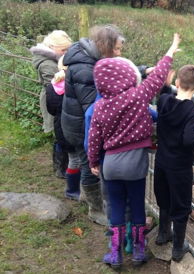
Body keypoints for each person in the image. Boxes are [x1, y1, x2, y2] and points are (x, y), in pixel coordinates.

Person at [87, 34, 180, 269]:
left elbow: (94, 136)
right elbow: (159, 76)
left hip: (110, 163)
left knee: (116, 207)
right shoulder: (138, 96)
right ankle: (139, 252)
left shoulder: (99, 107)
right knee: (137, 206)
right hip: (135, 162)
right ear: (128, 76)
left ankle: (115, 255)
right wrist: (171, 50)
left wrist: (93, 161)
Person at [61, 25, 125, 225]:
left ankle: (86, 195)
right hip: (81, 127)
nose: (119, 53)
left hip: (78, 122)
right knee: (90, 165)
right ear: (105, 47)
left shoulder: (91, 59)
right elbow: (96, 108)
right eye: (117, 49)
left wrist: (140, 71)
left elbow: (116, 69)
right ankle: (95, 209)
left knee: (85, 162)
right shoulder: (85, 70)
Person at [154, 64, 194, 262]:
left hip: (161, 162)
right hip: (179, 167)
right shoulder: (193, 113)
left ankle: (162, 234)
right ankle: (178, 248)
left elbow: (165, 94)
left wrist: (167, 85)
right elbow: (188, 139)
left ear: (177, 83)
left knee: (164, 197)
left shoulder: (164, 101)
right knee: (181, 205)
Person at [30, 30, 73, 178]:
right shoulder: (47, 64)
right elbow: (54, 87)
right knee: (59, 132)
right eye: (63, 50)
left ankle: (63, 165)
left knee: (61, 131)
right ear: (53, 47)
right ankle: (60, 167)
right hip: (53, 99)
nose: (66, 52)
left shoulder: (54, 58)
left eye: (68, 49)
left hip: (56, 97)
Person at [45, 56, 78, 198]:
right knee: (78, 159)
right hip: (75, 127)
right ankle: (73, 190)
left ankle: (72, 189)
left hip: (60, 126)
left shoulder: (51, 86)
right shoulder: (75, 85)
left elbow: (51, 110)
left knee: (73, 158)